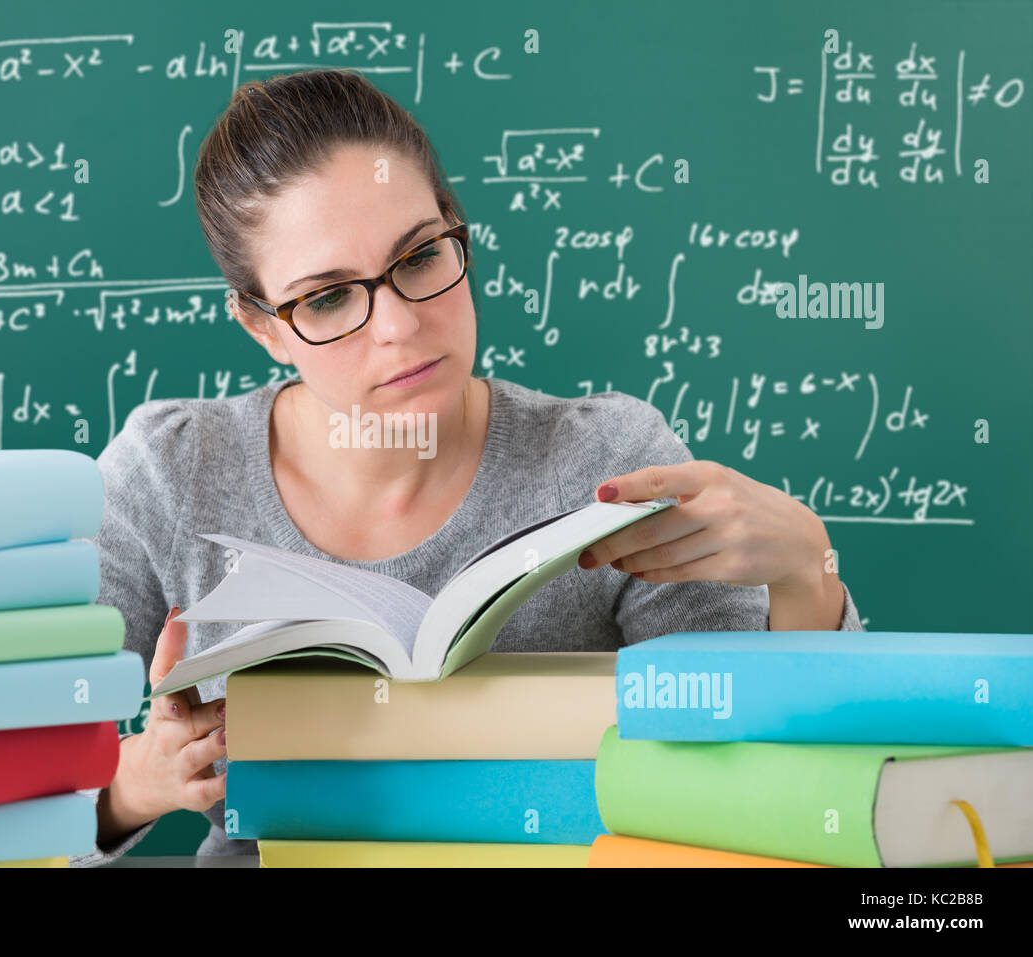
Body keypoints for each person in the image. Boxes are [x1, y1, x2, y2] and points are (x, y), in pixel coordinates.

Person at [70, 69, 863, 866]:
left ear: (457, 230)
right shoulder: (170, 472)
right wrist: (138, 781)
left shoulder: (612, 462)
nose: (399, 325)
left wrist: (806, 570)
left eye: (419, 256)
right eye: (329, 298)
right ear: (261, 325)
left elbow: (759, 782)